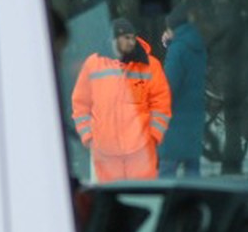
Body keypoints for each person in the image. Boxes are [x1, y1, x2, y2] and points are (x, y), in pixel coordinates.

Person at [71, 17, 173, 182]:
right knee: (112, 197)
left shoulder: (150, 65)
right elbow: (80, 104)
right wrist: (88, 137)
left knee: (142, 195)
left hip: (141, 152)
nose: (131, 42)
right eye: (126, 38)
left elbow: (161, 104)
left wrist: (154, 137)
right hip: (106, 151)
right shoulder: (93, 64)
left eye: (133, 38)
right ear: (114, 39)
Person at [158, 7, 208, 177]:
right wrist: (171, 44)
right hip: (194, 117)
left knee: (166, 171)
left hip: (176, 120)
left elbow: (169, 86)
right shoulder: (198, 45)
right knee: (192, 170)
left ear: (171, 27)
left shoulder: (177, 49)